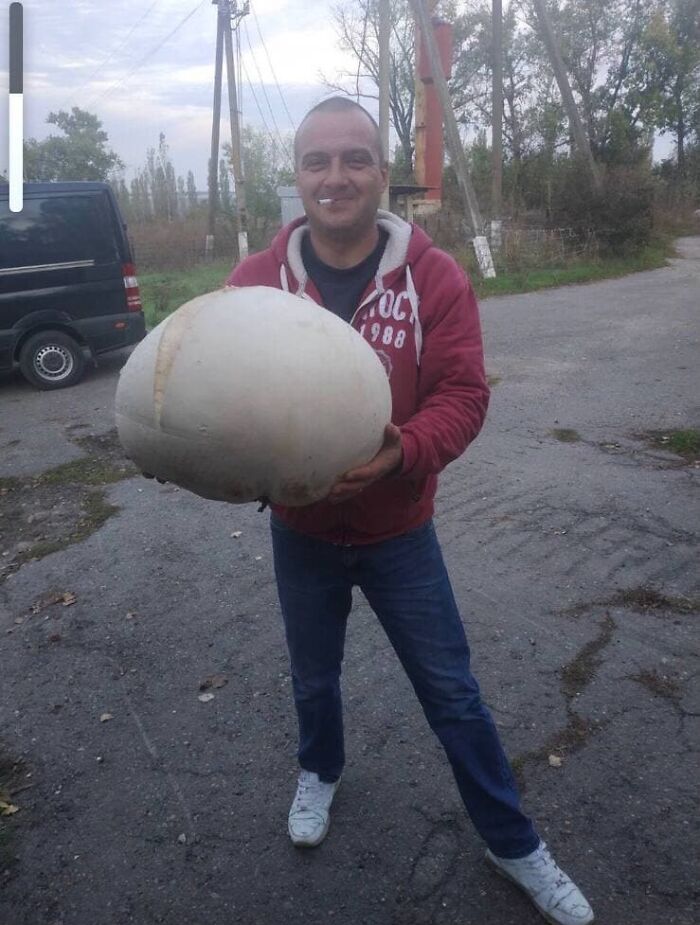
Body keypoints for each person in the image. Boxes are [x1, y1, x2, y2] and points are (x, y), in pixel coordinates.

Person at [226, 97, 594, 925]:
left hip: (399, 532)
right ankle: (320, 770)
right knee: (313, 676)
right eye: (318, 161)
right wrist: (213, 457)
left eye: (354, 158)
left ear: (382, 173)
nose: (336, 176)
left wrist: (402, 453)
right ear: (298, 175)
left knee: (452, 693)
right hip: (301, 534)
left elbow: (463, 395)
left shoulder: (434, 276)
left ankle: (513, 842)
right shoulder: (254, 283)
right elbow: (223, 400)